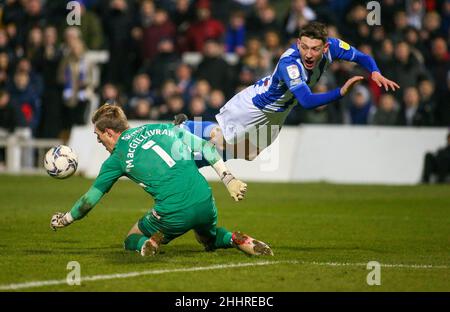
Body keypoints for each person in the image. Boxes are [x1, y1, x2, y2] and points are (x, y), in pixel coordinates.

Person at [49, 104, 273, 257]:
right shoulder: (162, 127)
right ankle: (237, 239)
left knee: (131, 238)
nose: (99, 142)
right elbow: (205, 146)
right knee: (208, 239)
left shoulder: (116, 159)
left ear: (108, 132)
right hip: (205, 199)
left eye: (99, 137)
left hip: (173, 213)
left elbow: (89, 201)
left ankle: (148, 243)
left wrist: (66, 219)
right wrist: (228, 178)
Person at [176, 22, 400, 165]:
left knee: (250, 154)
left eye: (314, 49)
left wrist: (375, 72)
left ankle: (195, 161)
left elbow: (361, 57)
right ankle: (185, 127)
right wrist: (341, 91)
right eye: (304, 47)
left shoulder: (334, 46)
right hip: (256, 106)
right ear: (297, 43)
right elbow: (307, 101)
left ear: (325, 47)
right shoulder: (290, 63)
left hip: (279, 113)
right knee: (221, 137)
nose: (309, 54)